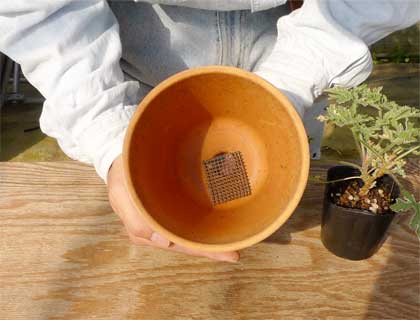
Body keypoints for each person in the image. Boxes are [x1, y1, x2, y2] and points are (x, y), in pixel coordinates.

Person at [0, 0, 418, 262]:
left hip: (302, 28)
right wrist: (108, 132)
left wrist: (296, 73)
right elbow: (37, 9)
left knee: (283, 185)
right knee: (156, 179)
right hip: (139, 38)